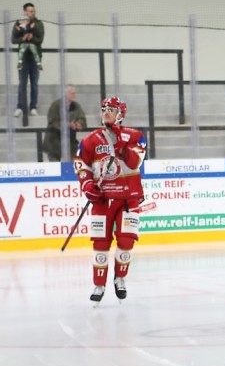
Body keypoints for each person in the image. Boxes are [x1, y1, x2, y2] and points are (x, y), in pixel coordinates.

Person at [75, 97, 147, 303]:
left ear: (121, 113)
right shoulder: (90, 140)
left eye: (111, 109)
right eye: (103, 108)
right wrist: (87, 185)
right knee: (100, 243)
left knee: (125, 241)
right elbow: (81, 166)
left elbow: (135, 163)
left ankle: (120, 279)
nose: (106, 112)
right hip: (102, 200)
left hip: (129, 199)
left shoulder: (136, 136)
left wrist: (121, 144)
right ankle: (98, 284)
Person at [12, 3, 44, 118]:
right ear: (25, 12)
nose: (33, 13)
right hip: (23, 58)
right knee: (22, 84)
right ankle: (20, 107)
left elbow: (40, 39)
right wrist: (22, 38)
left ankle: (33, 108)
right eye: (30, 11)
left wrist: (32, 38)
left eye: (34, 11)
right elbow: (13, 39)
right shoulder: (18, 22)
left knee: (34, 84)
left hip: (35, 59)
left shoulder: (38, 23)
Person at [42, 85, 87, 162]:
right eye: (72, 93)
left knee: (75, 165)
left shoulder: (76, 106)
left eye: (75, 93)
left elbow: (82, 119)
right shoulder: (55, 105)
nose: (74, 95)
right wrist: (68, 125)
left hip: (70, 143)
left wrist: (79, 124)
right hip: (54, 142)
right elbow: (52, 121)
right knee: (55, 167)